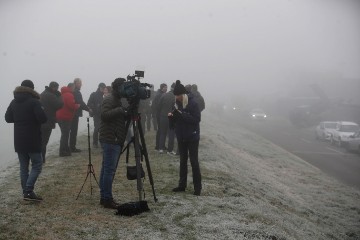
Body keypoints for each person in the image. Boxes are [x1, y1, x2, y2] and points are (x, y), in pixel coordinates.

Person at [5, 80, 47, 201]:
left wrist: (20, 119)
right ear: (31, 89)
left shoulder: (14, 101)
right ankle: (28, 191)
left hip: (18, 139)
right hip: (32, 138)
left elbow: (8, 118)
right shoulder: (34, 102)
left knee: (24, 167)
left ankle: (26, 192)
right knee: (37, 165)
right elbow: (42, 119)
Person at [99, 78, 128, 209]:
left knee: (106, 169)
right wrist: (120, 110)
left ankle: (104, 196)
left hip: (113, 137)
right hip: (111, 138)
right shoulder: (110, 99)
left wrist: (124, 111)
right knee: (109, 170)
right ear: (118, 87)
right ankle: (106, 198)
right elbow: (104, 115)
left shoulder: (116, 100)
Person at [168, 80, 202, 196]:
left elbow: (196, 119)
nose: (177, 98)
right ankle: (182, 185)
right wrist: (171, 118)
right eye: (175, 96)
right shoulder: (176, 103)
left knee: (194, 162)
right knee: (183, 161)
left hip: (192, 137)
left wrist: (182, 115)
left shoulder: (193, 103)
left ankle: (198, 188)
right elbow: (176, 120)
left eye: (178, 96)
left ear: (183, 95)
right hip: (181, 136)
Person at [40, 81, 64, 163]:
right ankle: (42, 159)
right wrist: (60, 96)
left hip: (40, 120)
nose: (57, 89)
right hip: (48, 120)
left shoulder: (42, 94)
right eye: (57, 88)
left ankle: (39, 158)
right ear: (54, 87)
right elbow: (59, 105)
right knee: (44, 141)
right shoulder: (51, 95)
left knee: (40, 140)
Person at [56, 83, 80, 157]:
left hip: (59, 116)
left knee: (64, 134)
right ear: (71, 87)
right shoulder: (69, 95)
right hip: (65, 117)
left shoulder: (61, 94)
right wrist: (77, 105)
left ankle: (65, 150)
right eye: (74, 88)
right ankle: (63, 151)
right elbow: (71, 105)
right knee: (65, 135)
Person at [70, 78, 91, 152]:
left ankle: (70, 147)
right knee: (73, 131)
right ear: (75, 84)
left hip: (72, 113)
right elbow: (80, 102)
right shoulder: (76, 92)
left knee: (71, 131)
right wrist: (88, 109)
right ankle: (72, 147)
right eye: (79, 83)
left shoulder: (73, 91)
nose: (81, 85)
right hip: (75, 113)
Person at [157, 82, 176, 154]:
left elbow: (159, 106)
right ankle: (170, 150)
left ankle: (161, 148)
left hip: (163, 116)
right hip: (171, 117)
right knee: (171, 134)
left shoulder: (164, 95)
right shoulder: (175, 97)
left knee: (162, 133)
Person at [87, 83, 106, 148]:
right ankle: (95, 143)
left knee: (102, 129)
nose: (103, 89)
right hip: (96, 114)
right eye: (102, 87)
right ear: (99, 87)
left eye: (104, 88)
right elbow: (89, 103)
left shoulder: (104, 95)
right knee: (97, 128)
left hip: (104, 114)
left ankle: (102, 142)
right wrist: (93, 108)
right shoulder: (94, 94)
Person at [152, 83, 167, 151]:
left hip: (159, 114)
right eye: (165, 87)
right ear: (161, 88)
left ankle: (159, 145)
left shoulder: (160, 94)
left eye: (166, 87)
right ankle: (159, 146)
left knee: (160, 130)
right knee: (161, 130)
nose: (166, 89)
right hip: (159, 115)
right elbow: (158, 106)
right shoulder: (159, 95)